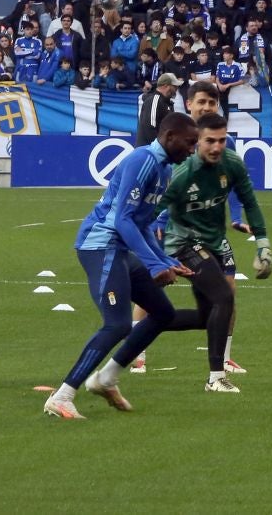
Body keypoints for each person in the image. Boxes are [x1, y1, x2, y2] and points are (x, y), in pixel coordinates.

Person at [42, 113, 197, 420]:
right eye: (189, 142)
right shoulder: (143, 160)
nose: (192, 149)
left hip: (120, 248)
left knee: (163, 313)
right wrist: (154, 265)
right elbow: (122, 220)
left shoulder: (164, 169)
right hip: (100, 246)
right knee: (117, 324)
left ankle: (107, 377)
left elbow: (143, 224)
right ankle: (62, 396)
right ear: (169, 137)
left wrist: (164, 260)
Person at [158, 111, 272, 394]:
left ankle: (139, 327)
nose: (217, 147)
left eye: (222, 140)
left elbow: (250, 202)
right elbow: (156, 210)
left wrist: (263, 244)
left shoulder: (232, 164)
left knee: (204, 316)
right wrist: (154, 254)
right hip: (181, 242)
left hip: (212, 241)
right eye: (210, 141)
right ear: (197, 142)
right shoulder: (184, 173)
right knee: (224, 296)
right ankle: (216, 377)